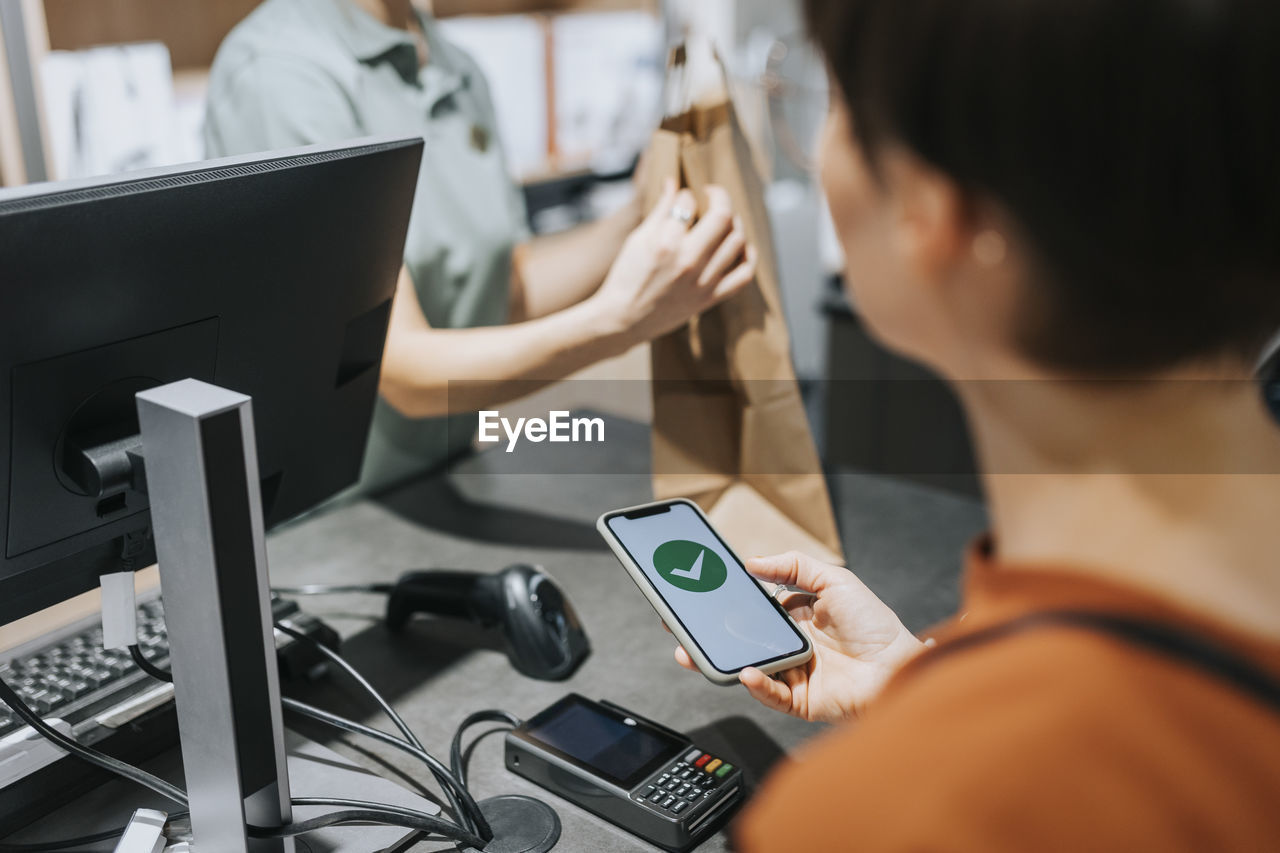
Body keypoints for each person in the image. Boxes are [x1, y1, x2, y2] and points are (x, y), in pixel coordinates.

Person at [672, 1, 1280, 849]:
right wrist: (921, 682)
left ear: (934, 210)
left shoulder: (866, 820)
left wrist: (944, 731)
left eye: (834, 105)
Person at [204, 0, 756, 493]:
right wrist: (621, 321)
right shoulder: (283, 73)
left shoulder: (455, 68)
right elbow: (402, 374)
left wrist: (637, 215)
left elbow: (503, 290)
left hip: (446, 481)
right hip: (327, 521)